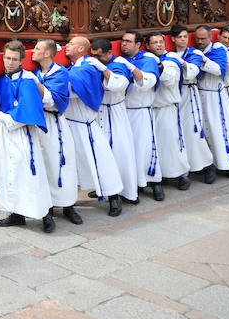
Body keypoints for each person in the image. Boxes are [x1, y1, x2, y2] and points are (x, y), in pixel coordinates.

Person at [0, 41, 53, 232]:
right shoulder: (0, 78)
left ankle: (46, 214)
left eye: (14, 59)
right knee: (10, 172)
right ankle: (16, 213)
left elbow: (28, 111)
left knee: (31, 172)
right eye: (7, 58)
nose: (10, 62)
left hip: (22, 133)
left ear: (21, 61)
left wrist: (4, 118)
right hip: (5, 133)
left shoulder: (28, 80)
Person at [63, 37, 124, 216]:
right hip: (69, 124)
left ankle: (113, 196)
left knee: (102, 161)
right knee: (69, 164)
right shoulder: (71, 67)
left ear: (82, 48)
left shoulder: (87, 67)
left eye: (71, 44)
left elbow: (73, 91)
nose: (67, 46)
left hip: (85, 124)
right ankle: (67, 203)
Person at [31, 39, 82, 225]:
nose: (33, 51)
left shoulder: (59, 72)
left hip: (54, 123)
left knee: (61, 164)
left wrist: (35, 83)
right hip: (37, 123)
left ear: (47, 54)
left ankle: (68, 205)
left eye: (37, 48)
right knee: (43, 165)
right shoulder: (35, 72)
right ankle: (47, 207)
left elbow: (55, 100)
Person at [193, 25, 229, 176]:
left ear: (210, 37)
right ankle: (208, 164)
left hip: (215, 95)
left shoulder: (218, 49)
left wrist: (203, 60)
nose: (200, 41)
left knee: (221, 130)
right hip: (199, 94)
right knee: (204, 131)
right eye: (197, 38)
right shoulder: (196, 51)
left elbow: (219, 69)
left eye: (203, 38)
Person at [91, 38, 140, 204]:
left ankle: (123, 193)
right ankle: (105, 189)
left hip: (116, 113)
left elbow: (118, 84)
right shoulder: (93, 64)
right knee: (102, 155)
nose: (96, 59)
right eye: (94, 56)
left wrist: (103, 69)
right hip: (99, 113)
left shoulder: (119, 64)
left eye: (100, 56)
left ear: (109, 53)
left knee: (120, 153)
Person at [119, 31, 164, 201]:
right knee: (125, 151)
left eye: (128, 41)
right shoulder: (120, 60)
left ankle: (154, 182)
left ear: (138, 44)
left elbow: (146, 83)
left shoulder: (148, 60)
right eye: (123, 41)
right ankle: (128, 186)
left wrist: (131, 68)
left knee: (144, 149)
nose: (124, 44)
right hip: (122, 112)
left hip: (141, 112)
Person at [144, 33, 190, 190]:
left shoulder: (170, 59)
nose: (158, 45)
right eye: (154, 42)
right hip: (151, 109)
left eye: (160, 42)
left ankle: (181, 174)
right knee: (156, 145)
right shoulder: (146, 59)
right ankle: (160, 174)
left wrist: (159, 67)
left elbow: (170, 80)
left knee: (172, 143)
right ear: (148, 46)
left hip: (167, 108)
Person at [170, 25, 216, 182]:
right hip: (175, 95)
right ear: (173, 39)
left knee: (193, 132)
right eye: (179, 37)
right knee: (178, 134)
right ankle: (184, 169)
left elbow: (192, 71)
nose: (183, 39)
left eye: (185, 36)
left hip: (189, 93)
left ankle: (208, 165)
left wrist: (180, 62)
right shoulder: (171, 54)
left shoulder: (194, 53)